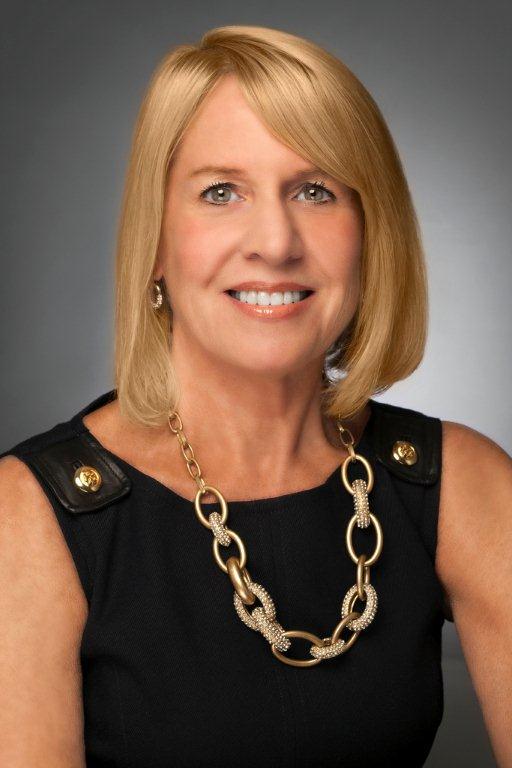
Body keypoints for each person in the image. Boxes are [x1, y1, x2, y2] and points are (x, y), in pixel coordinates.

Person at [0, 23, 510, 768]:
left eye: (315, 191)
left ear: (371, 235)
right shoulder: (29, 519)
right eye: (220, 192)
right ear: (156, 242)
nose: (275, 241)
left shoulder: (462, 484)